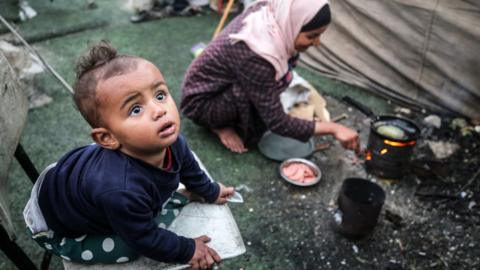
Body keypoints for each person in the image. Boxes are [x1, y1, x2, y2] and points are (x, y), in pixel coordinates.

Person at [23, 41, 234, 270]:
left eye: (160, 95)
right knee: (131, 247)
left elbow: (190, 169)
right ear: (108, 139)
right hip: (55, 223)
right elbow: (144, 238)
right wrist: (187, 249)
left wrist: (209, 191)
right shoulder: (120, 189)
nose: (159, 110)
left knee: (139, 215)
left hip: (73, 181)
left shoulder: (172, 142)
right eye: (136, 109)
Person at [181, 0, 359, 154]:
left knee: (263, 91)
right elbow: (277, 122)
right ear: (293, 24)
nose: (317, 43)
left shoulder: (274, 14)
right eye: (312, 36)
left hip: (221, 84)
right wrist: (334, 128)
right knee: (255, 108)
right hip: (201, 103)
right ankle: (217, 125)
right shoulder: (255, 54)